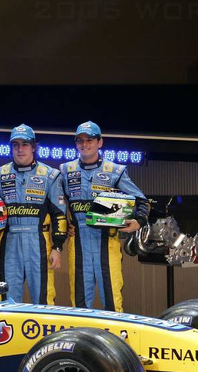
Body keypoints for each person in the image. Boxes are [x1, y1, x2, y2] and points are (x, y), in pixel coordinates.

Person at [0, 124, 67, 304]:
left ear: (34, 147)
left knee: (43, 299)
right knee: (5, 299)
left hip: (39, 243)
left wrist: (57, 247)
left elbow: (59, 214)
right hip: (9, 242)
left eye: (25, 144)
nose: (20, 149)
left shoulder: (51, 175)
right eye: (16, 145)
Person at [60, 121, 149, 311]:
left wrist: (138, 222)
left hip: (107, 243)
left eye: (89, 140)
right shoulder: (65, 171)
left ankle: (113, 340)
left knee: (112, 302)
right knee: (79, 306)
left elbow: (142, 201)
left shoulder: (115, 171)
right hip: (78, 244)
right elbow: (55, 205)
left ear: (100, 142)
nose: (84, 144)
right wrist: (63, 225)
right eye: (80, 141)